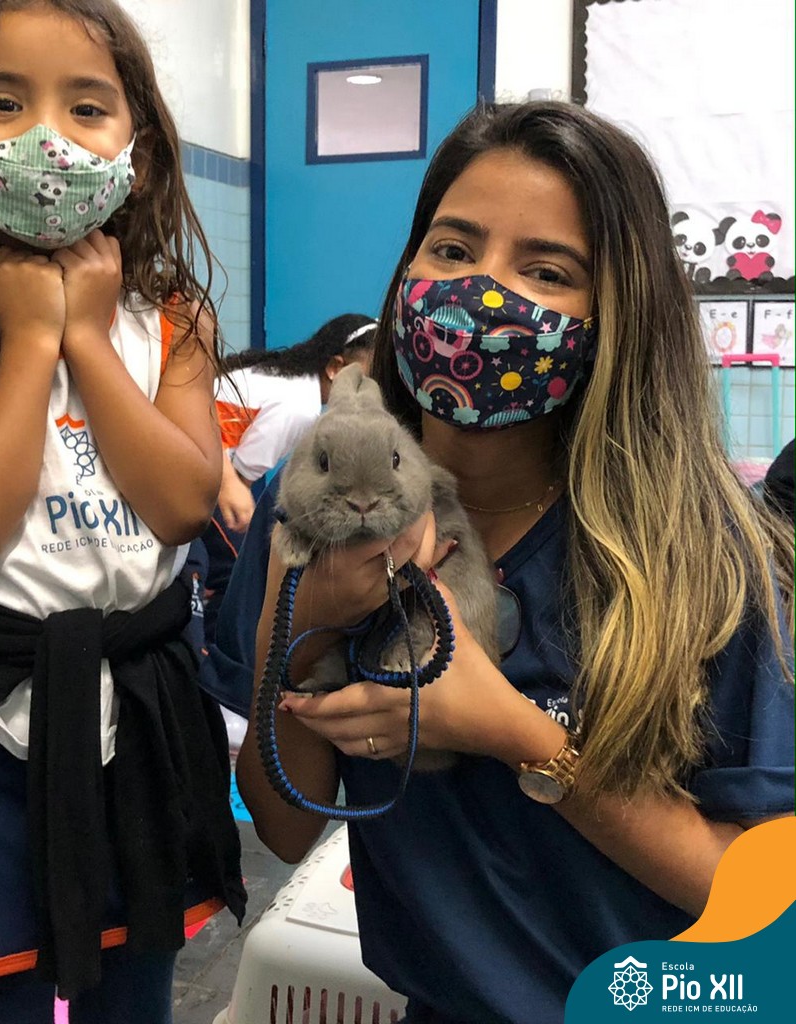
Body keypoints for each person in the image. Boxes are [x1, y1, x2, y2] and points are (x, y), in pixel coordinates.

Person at [235, 102, 795, 1024]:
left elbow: (764, 897)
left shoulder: (706, 561)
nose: (480, 291)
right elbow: (288, 824)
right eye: (453, 249)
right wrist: (297, 625)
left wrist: (517, 733)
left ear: (615, 316)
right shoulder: (319, 507)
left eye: (546, 271)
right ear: (407, 272)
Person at [0, 1, 246, 1021]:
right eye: (2, 102)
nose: (46, 139)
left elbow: (180, 505)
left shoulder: (172, 316)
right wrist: (30, 340)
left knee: (136, 986)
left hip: (138, 717)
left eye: (87, 107)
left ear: (139, 157)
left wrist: (88, 342)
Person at [199, 314, 376, 646]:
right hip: (198, 474)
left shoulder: (288, 380)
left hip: (200, 464)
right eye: (363, 379)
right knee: (240, 570)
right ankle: (216, 655)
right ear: (335, 368)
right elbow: (238, 481)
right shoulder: (300, 407)